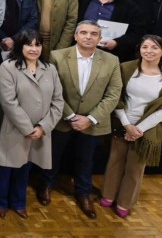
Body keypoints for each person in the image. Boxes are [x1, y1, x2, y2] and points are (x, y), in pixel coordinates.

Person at [38, 21, 122, 219]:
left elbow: (113, 94)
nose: (88, 37)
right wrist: (70, 115)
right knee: (53, 155)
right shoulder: (58, 56)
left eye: (93, 34)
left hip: (93, 122)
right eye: (83, 33)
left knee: (86, 159)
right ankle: (46, 185)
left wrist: (90, 118)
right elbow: (52, 89)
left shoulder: (112, 60)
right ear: (75, 36)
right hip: (61, 117)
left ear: (100, 38)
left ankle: (83, 193)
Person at [100, 35, 162, 218]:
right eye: (145, 47)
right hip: (122, 121)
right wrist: (127, 125)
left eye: (154, 47)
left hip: (147, 128)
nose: (149, 51)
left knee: (135, 168)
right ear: (140, 49)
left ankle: (125, 202)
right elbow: (116, 97)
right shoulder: (125, 68)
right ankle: (108, 194)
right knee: (115, 161)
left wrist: (138, 130)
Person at [0, 30, 63, 219]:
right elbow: (8, 102)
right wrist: (28, 129)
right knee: (5, 167)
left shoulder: (50, 69)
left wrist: (43, 127)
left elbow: (58, 102)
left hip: (40, 131)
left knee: (25, 167)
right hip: (13, 128)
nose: (34, 49)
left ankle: (18, 202)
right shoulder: (8, 67)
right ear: (20, 46)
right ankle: (0, 201)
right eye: (29, 44)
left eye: (37, 44)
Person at [77, 0, 146, 62]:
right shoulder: (81, 0)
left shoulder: (130, 8)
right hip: (79, 51)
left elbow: (137, 33)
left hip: (109, 56)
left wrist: (117, 42)